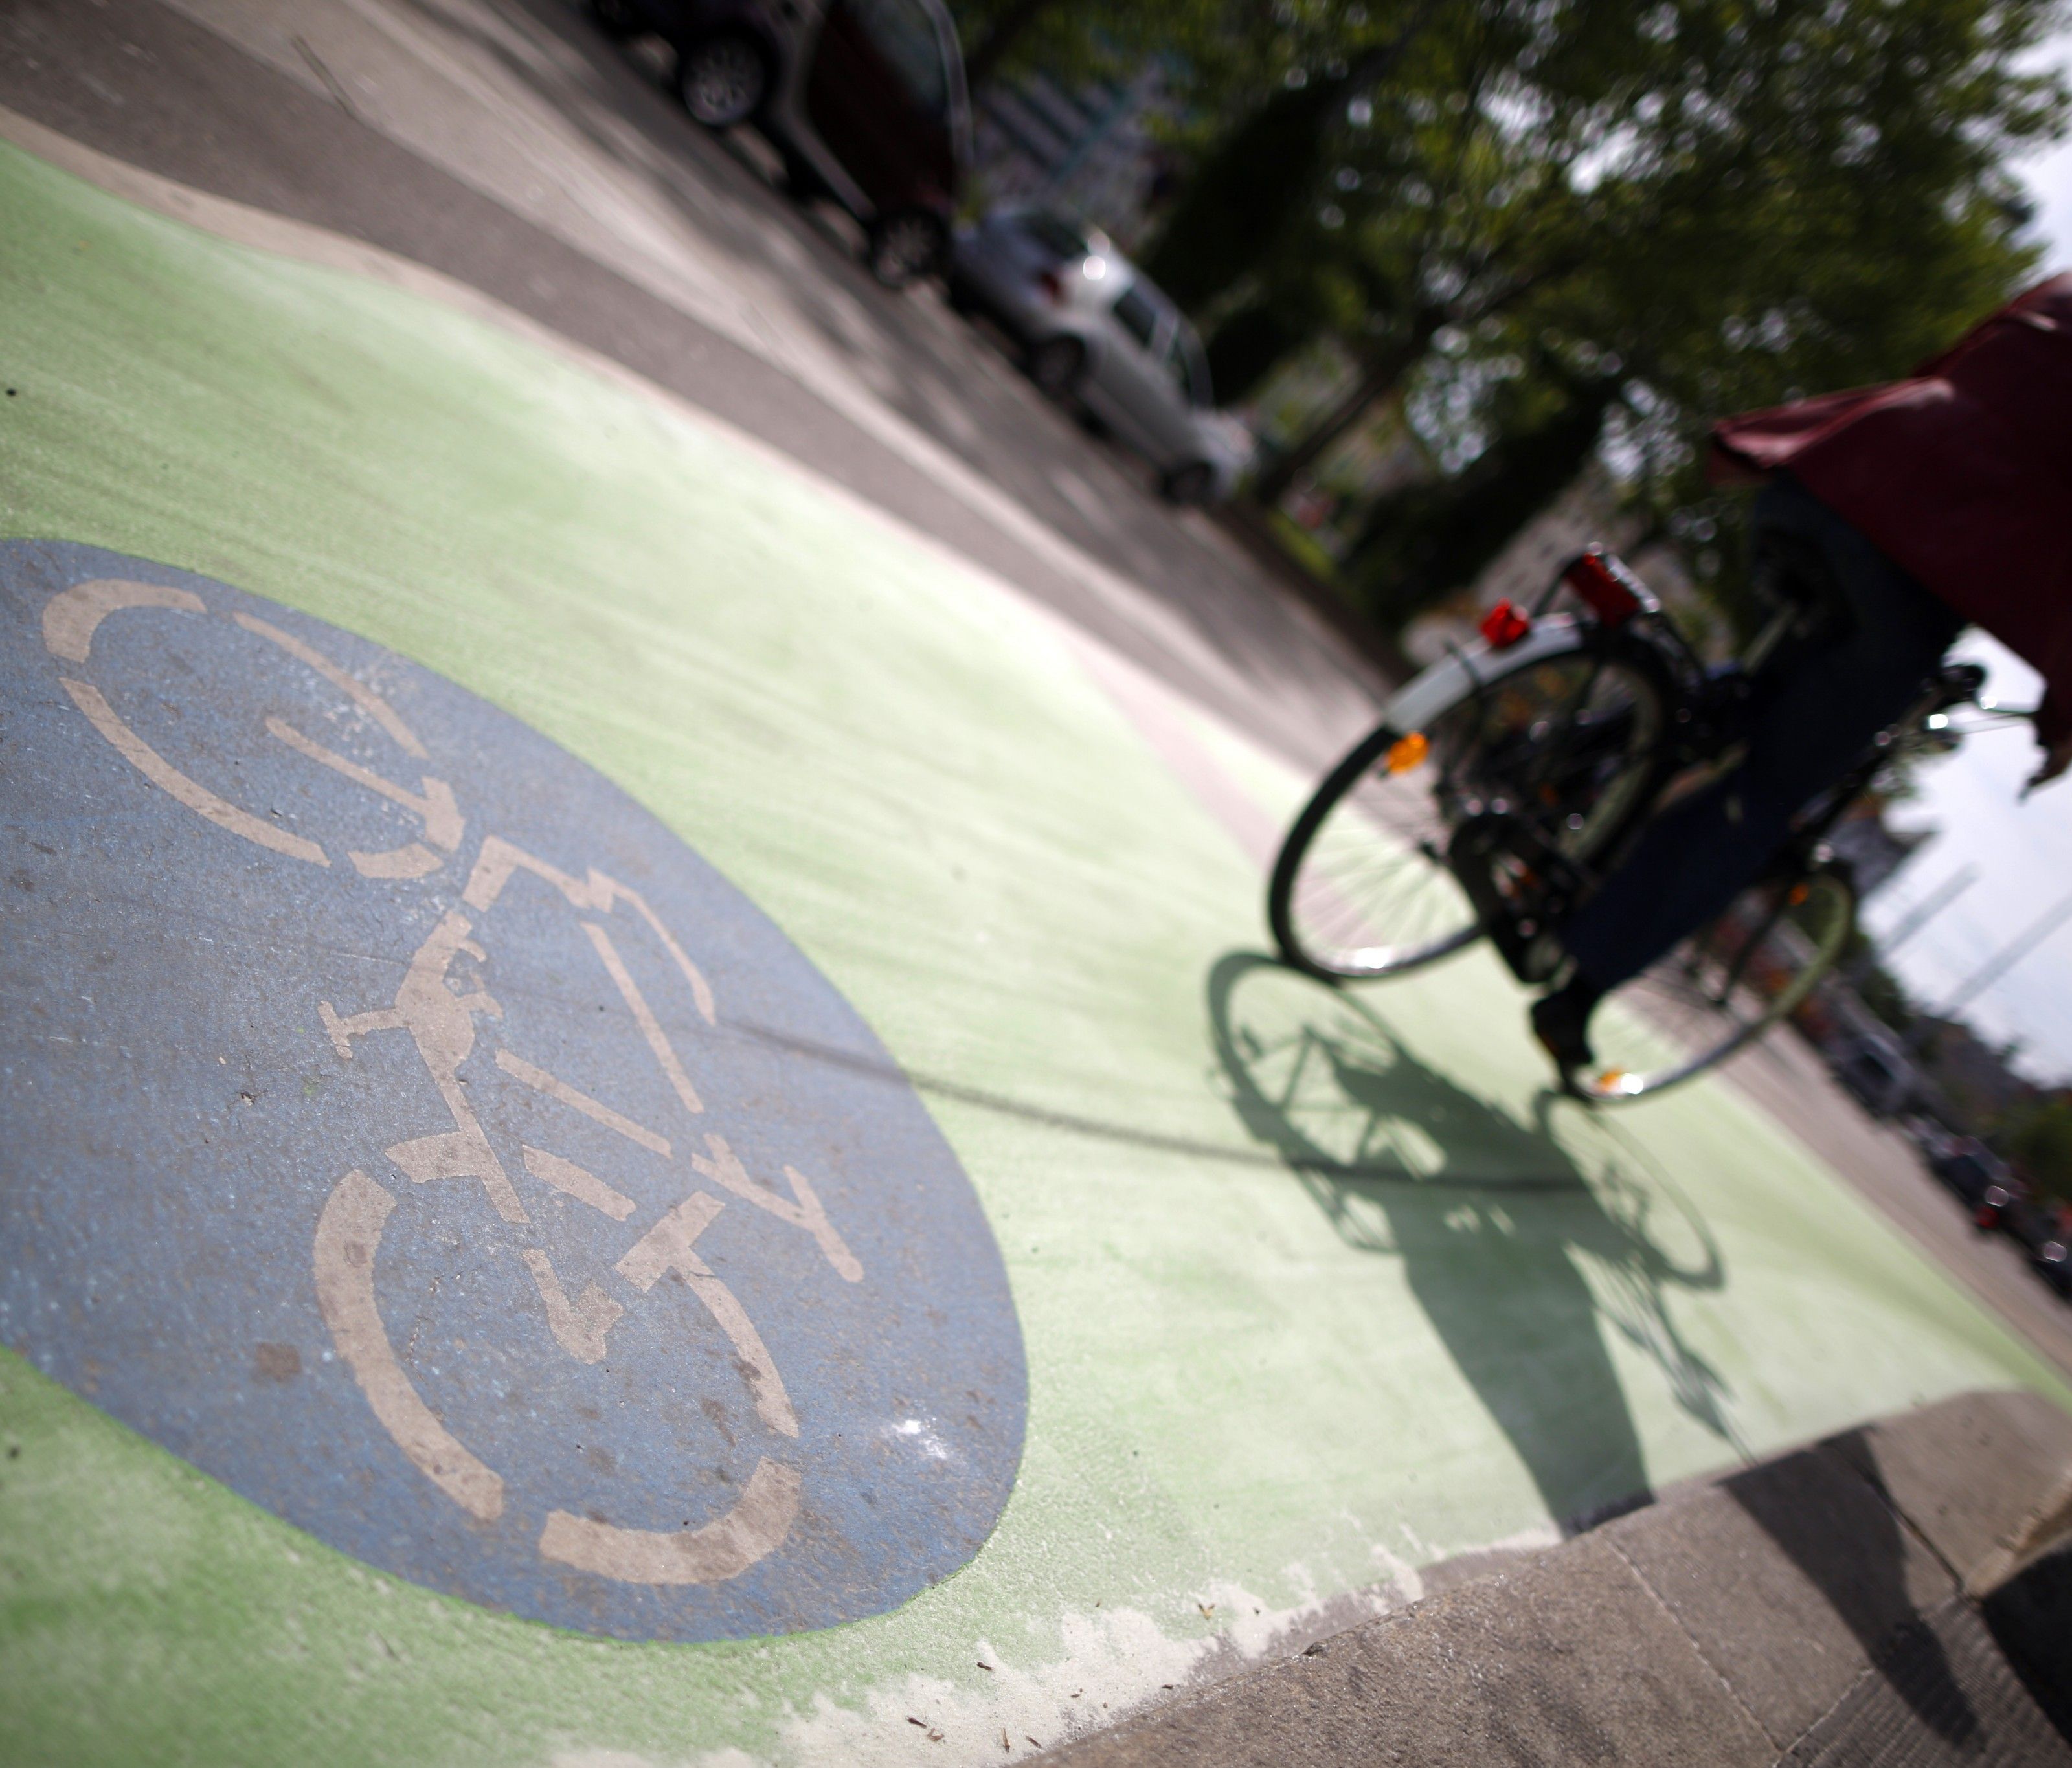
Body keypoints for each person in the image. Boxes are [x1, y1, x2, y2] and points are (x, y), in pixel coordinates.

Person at [1531, 273, 2072, 1073]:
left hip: (1834, 469)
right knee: (1763, 800)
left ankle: (1563, 759)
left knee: (1760, 685)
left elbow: (1945, 362)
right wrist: (2056, 727)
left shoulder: (2060, 287)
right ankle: (1576, 993)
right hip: (1920, 568)